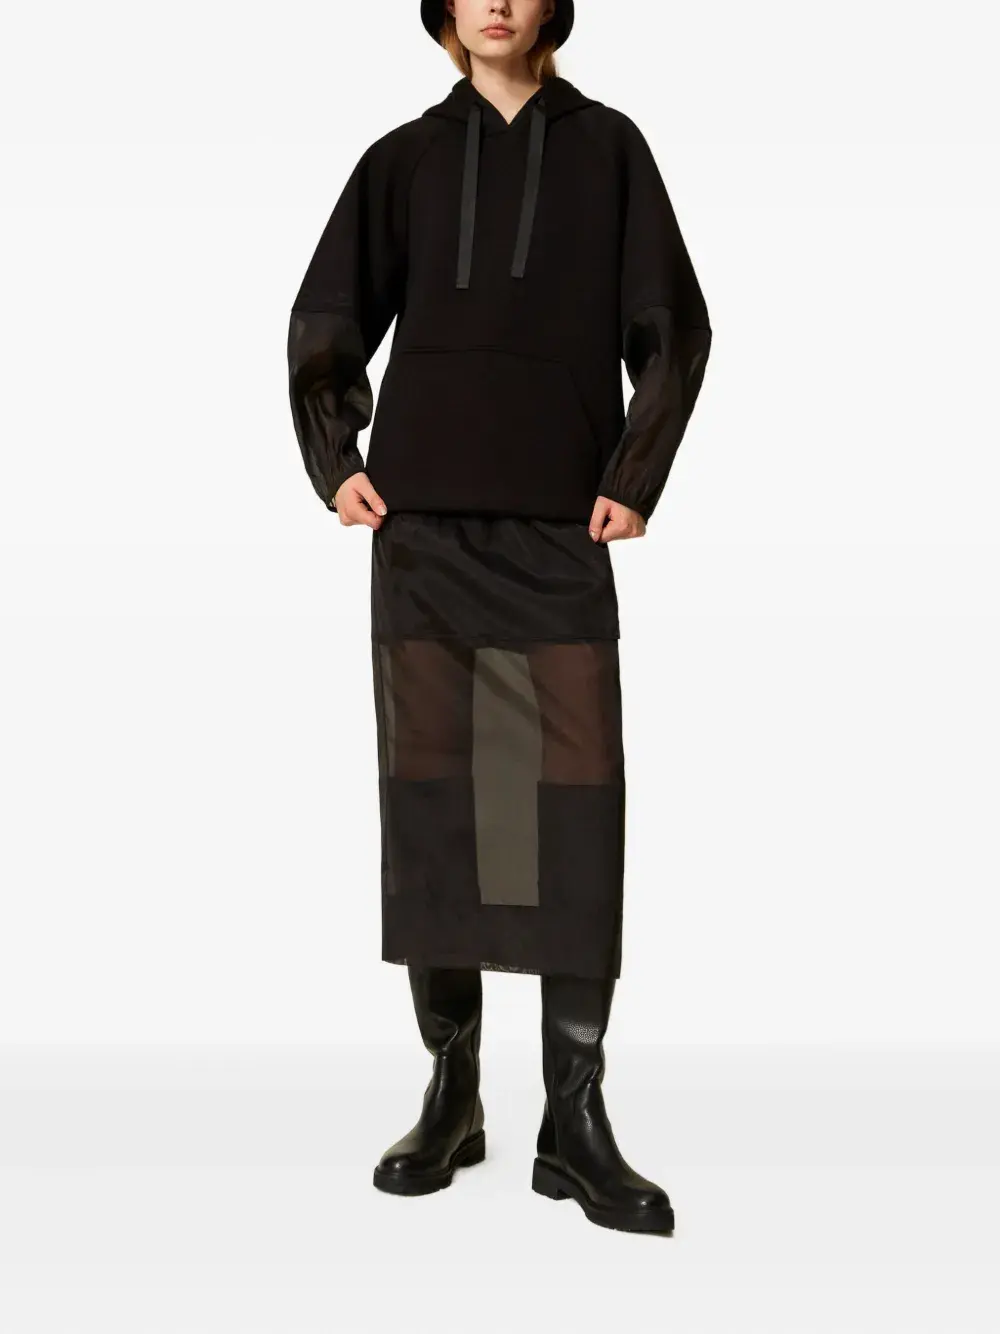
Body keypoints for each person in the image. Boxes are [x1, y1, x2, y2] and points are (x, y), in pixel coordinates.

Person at [286, 0, 711, 1235]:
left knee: (572, 801)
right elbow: (326, 318)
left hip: (557, 531)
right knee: (435, 799)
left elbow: (674, 326)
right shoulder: (403, 160)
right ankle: (452, 1089)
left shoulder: (611, 148)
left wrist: (634, 471)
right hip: (423, 533)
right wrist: (334, 457)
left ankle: (573, 1117)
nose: (496, 1)